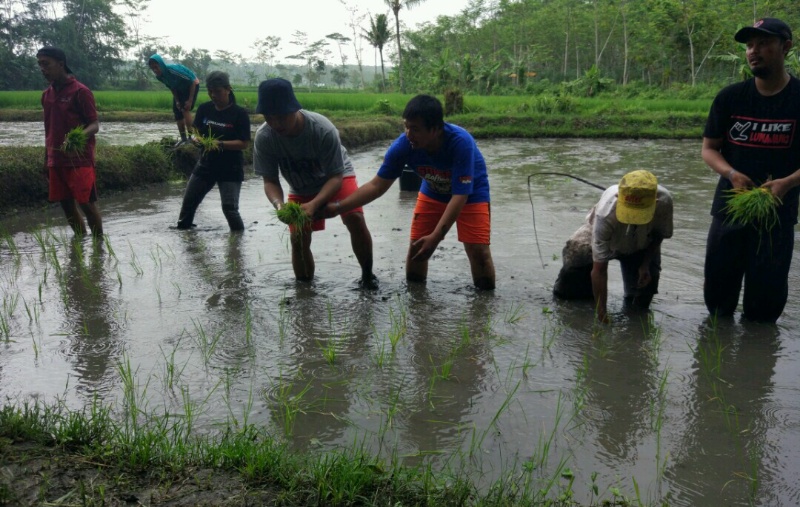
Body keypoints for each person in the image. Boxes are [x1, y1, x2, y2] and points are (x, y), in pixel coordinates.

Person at [326, 94, 496, 290]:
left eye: (415, 129)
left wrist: (436, 237)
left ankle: (484, 310)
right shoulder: (403, 146)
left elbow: (460, 196)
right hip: (433, 190)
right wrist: (338, 207)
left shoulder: (460, 143)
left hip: (471, 193)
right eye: (406, 126)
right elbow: (377, 186)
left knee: (478, 251)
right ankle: (416, 304)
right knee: (417, 248)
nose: (408, 133)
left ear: (435, 129)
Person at [702, 17, 800, 323]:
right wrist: (731, 174)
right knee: (718, 303)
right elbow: (709, 149)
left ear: (786, 47)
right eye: (749, 45)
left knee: (765, 307)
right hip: (730, 209)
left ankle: (756, 364)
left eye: (763, 43)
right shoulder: (730, 97)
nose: (753, 51)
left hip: (778, 213)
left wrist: (787, 182)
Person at [252, 78, 376, 286]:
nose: (276, 123)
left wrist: (316, 204)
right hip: (301, 185)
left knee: (354, 217)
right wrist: (280, 206)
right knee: (298, 235)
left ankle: (367, 275)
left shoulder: (321, 130)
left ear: (295, 109)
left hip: (336, 175)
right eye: (269, 117)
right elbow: (270, 180)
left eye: (281, 117)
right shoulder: (265, 137)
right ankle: (304, 289)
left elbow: (336, 177)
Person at [552, 170, 673, 323]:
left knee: (643, 294)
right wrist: (601, 313)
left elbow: (659, 233)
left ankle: (635, 322)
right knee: (576, 257)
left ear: (655, 202)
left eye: (639, 213)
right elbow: (599, 269)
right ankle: (575, 296)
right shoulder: (606, 212)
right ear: (618, 198)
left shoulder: (665, 202)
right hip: (606, 233)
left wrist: (645, 264)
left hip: (642, 240)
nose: (633, 218)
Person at [37, 46, 103, 238]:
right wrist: (46, 159)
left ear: (61, 64)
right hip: (55, 160)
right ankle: (80, 244)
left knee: (86, 204)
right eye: (40, 65)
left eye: (46, 64)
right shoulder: (46, 95)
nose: (43, 69)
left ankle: (99, 247)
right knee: (66, 205)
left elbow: (94, 125)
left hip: (79, 159)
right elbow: (48, 130)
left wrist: (77, 137)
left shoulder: (80, 91)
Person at [175, 71, 251, 231]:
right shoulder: (205, 109)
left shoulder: (240, 113)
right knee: (189, 204)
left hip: (230, 168)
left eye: (217, 91)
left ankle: (237, 244)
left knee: (230, 209)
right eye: (210, 91)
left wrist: (220, 144)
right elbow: (196, 131)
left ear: (228, 89)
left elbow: (244, 143)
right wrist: (195, 138)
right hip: (206, 165)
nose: (213, 95)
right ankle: (185, 238)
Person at [148, 54, 199, 145]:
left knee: (185, 109)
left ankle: (190, 138)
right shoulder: (159, 76)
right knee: (177, 111)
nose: (155, 70)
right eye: (153, 69)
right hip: (178, 88)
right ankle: (183, 139)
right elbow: (171, 87)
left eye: (156, 67)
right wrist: (177, 101)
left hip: (191, 85)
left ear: (161, 64)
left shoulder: (173, 71)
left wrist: (190, 101)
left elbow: (192, 82)